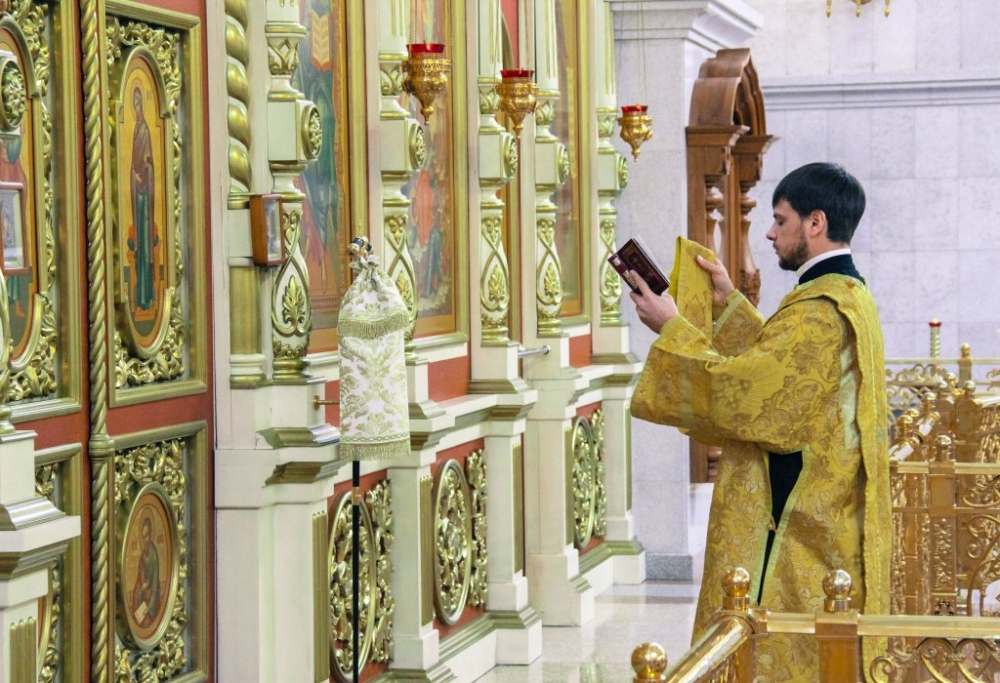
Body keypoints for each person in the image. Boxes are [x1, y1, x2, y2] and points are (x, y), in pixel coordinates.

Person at [629, 162, 890, 680]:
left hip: (796, 525)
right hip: (826, 506)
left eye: (780, 219)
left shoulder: (819, 310)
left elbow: (747, 397)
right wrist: (729, 304)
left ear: (815, 222)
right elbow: (781, 374)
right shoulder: (847, 296)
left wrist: (672, 328)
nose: (770, 233)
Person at [130, 514, 160, 628]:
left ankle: (146, 615)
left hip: (153, 589)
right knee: (136, 592)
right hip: (145, 585)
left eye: (146, 536)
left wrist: (150, 606)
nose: (145, 540)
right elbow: (140, 573)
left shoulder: (154, 555)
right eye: (143, 537)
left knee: (147, 614)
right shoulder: (143, 554)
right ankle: (138, 621)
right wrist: (141, 584)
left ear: (150, 535)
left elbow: (155, 583)